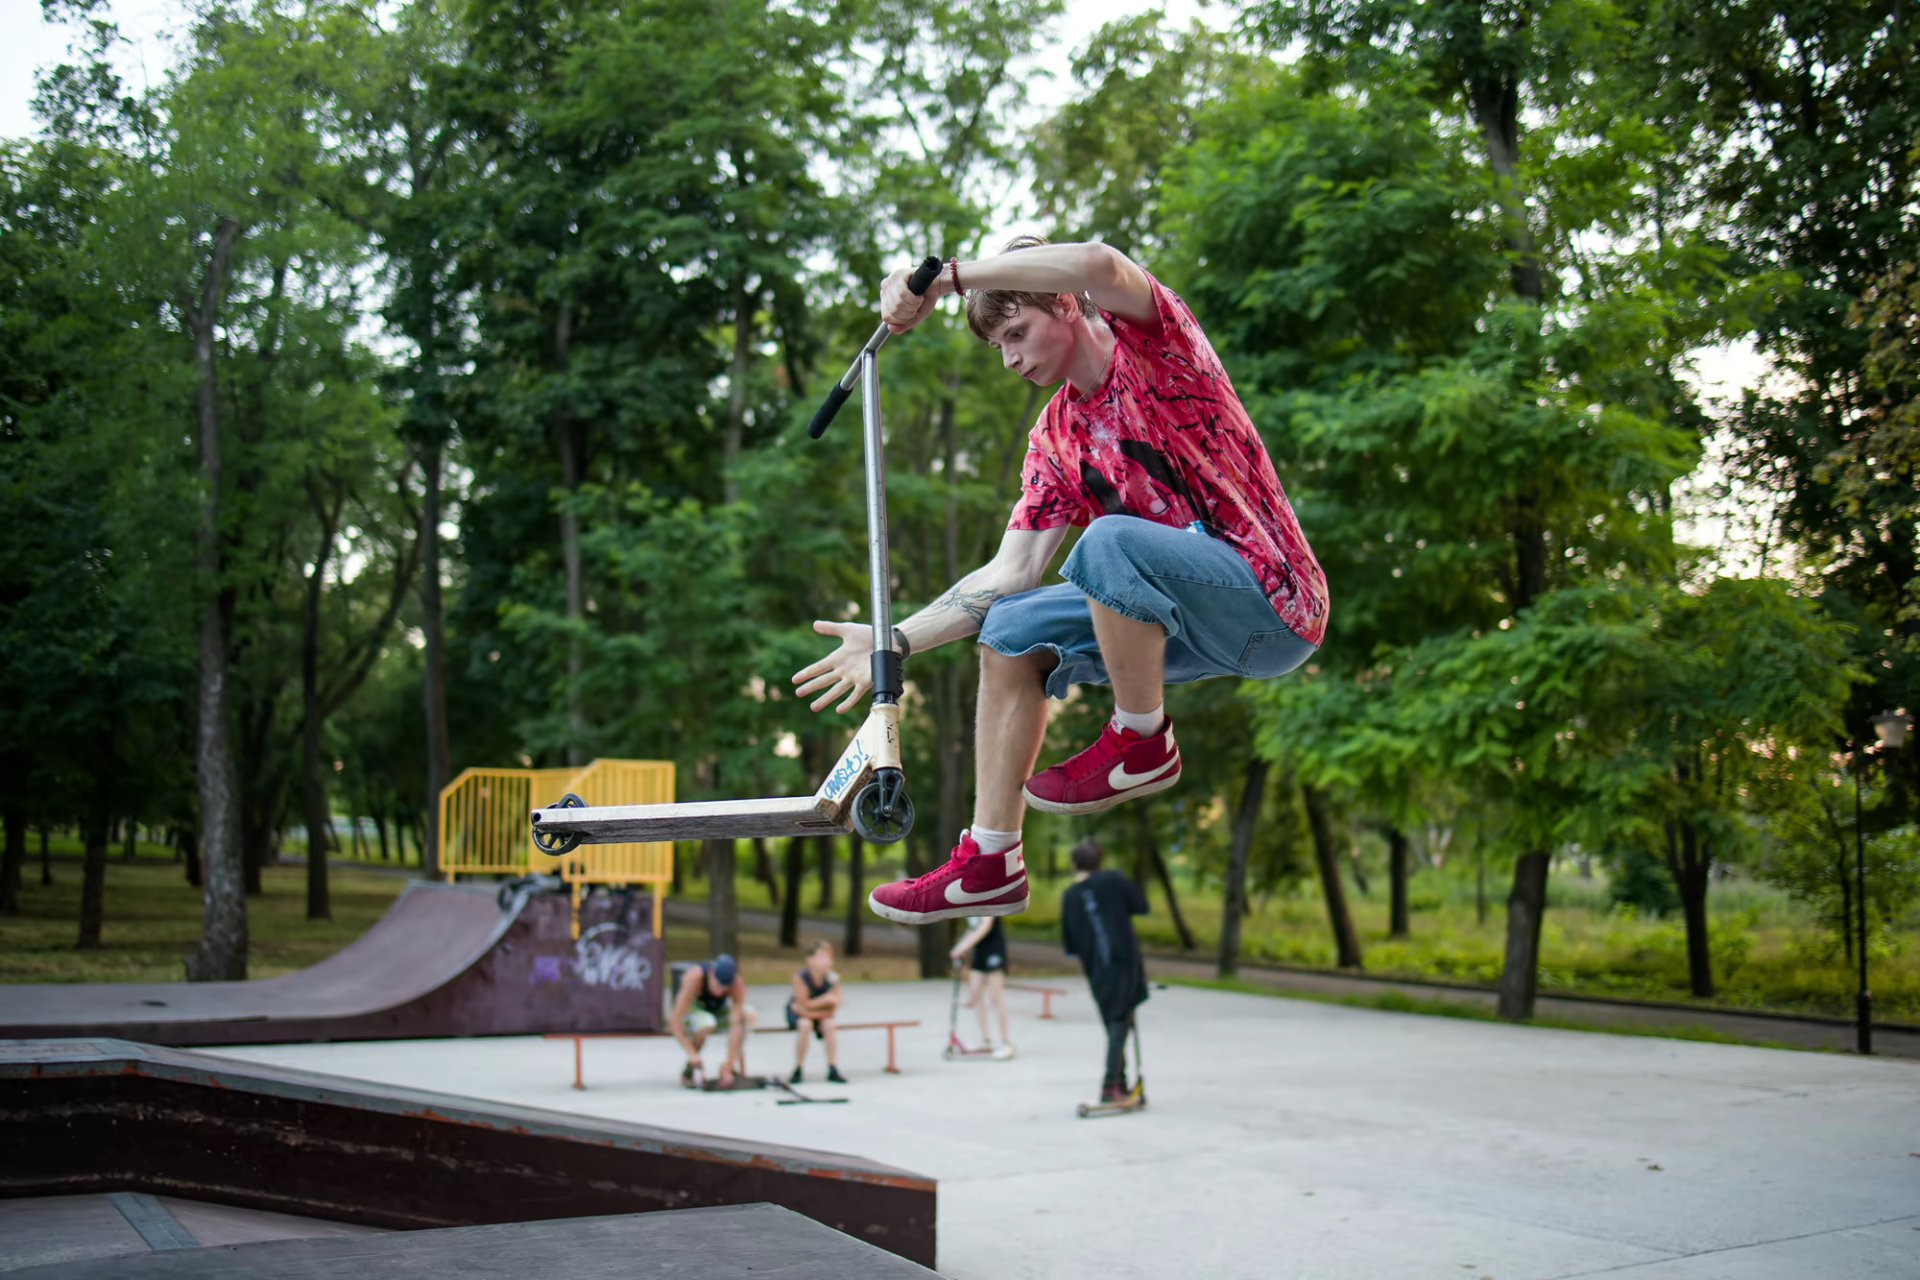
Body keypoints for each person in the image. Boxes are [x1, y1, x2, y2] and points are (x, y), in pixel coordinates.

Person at [794, 237, 1327, 925]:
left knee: (1107, 543)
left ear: (1067, 306)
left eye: (1018, 331)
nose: (1011, 356)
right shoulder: (1056, 437)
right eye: (998, 347)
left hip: (1273, 601)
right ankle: (991, 858)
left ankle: (1141, 739)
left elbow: (1100, 264)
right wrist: (892, 641)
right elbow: (1011, 572)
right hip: (1182, 628)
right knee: (1010, 629)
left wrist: (949, 279)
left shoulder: (1155, 347)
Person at [1060, 838, 1149, 1103]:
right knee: (1120, 1021)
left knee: (1115, 1023)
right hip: (1123, 962)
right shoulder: (1113, 880)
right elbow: (1141, 905)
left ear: (1074, 863)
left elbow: (1070, 945)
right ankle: (1111, 1085)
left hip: (1096, 969)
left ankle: (1119, 1082)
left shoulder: (1070, 896)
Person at [670, 953, 755, 1088]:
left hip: (718, 1011)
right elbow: (675, 1020)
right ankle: (690, 1068)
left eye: (725, 988)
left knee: (747, 1015)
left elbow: (737, 1023)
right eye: (718, 985)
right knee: (707, 1023)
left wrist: (729, 1064)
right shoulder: (695, 977)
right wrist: (692, 1054)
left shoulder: (737, 983)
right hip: (695, 1009)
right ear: (711, 973)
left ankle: (728, 1069)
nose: (720, 992)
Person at [950, 915, 1016, 1060]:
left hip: (994, 951)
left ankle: (1007, 1043)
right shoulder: (971, 906)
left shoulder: (989, 902)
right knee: (975, 995)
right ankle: (985, 1040)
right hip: (979, 952)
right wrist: (959, 947)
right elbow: (972, 929)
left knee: (995, 997)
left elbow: (984, 928)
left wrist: (964, 946)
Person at [787, 940, 848, 1084]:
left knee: (830, 1025)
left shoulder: (832, 978)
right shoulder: (801, 978)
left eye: (828, 957)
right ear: (810, 960)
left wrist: (813, 1007)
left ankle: (833, 1067)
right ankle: (798, 1067)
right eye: (821, 957)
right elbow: (801, 1005)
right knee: (805, 1026)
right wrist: (825, 1000)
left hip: (821, 1014)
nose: (825, 961)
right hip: (801, 1016)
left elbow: (834, 1005)